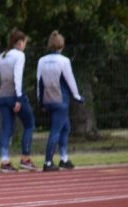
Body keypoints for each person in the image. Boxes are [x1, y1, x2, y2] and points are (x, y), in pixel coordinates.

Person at [37, 31, 84, 172]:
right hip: (60, 100)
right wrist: (77, 96)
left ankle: (63, 159)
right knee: (56, 131)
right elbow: (70, 80)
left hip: (48, 99)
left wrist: (40, 101)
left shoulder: (42, 60)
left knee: (66, 127)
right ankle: (48, 162)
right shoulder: (64, 61)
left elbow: (39, 82)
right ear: (61, 45)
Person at [0, 28, 37, 172]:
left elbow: (3, 78)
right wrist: (19, 98)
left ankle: (4, 160)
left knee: (6, 128)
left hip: (2, 95)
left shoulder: (2, 55)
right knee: (29, 123)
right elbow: (17, 77)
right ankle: (25, 158)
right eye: (25, 42)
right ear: (20, 42)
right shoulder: (19, 55)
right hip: (14, 95)